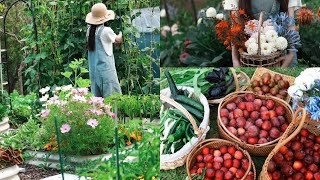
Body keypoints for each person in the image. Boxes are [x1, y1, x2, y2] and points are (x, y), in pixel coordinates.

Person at [223, 0, 302, 67]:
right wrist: (235, 59)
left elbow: (290, 23)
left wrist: (291, 54)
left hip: (283, 53)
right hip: (251, 55)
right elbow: (235, 26)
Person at [85, 3, 123, 97]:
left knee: (98, 103)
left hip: (94, 72)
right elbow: (118, 40)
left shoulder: (89, 31)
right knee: (113, 100)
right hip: (106, 72)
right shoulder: (106, 31)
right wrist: (122, 33)